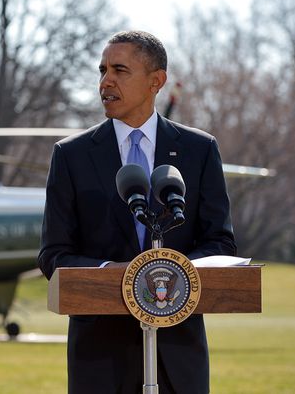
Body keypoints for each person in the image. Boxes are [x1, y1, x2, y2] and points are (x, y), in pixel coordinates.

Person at [38, 30, 236, 393]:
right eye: (102, 70)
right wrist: (113, 274)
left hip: (178, 356)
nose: (105, 81)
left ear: (156, 81)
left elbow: (220, 243)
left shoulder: (199, 150)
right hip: (99, 358)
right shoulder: (71, 155)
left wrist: (168, 275)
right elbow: (54, 255)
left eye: (119, 70)